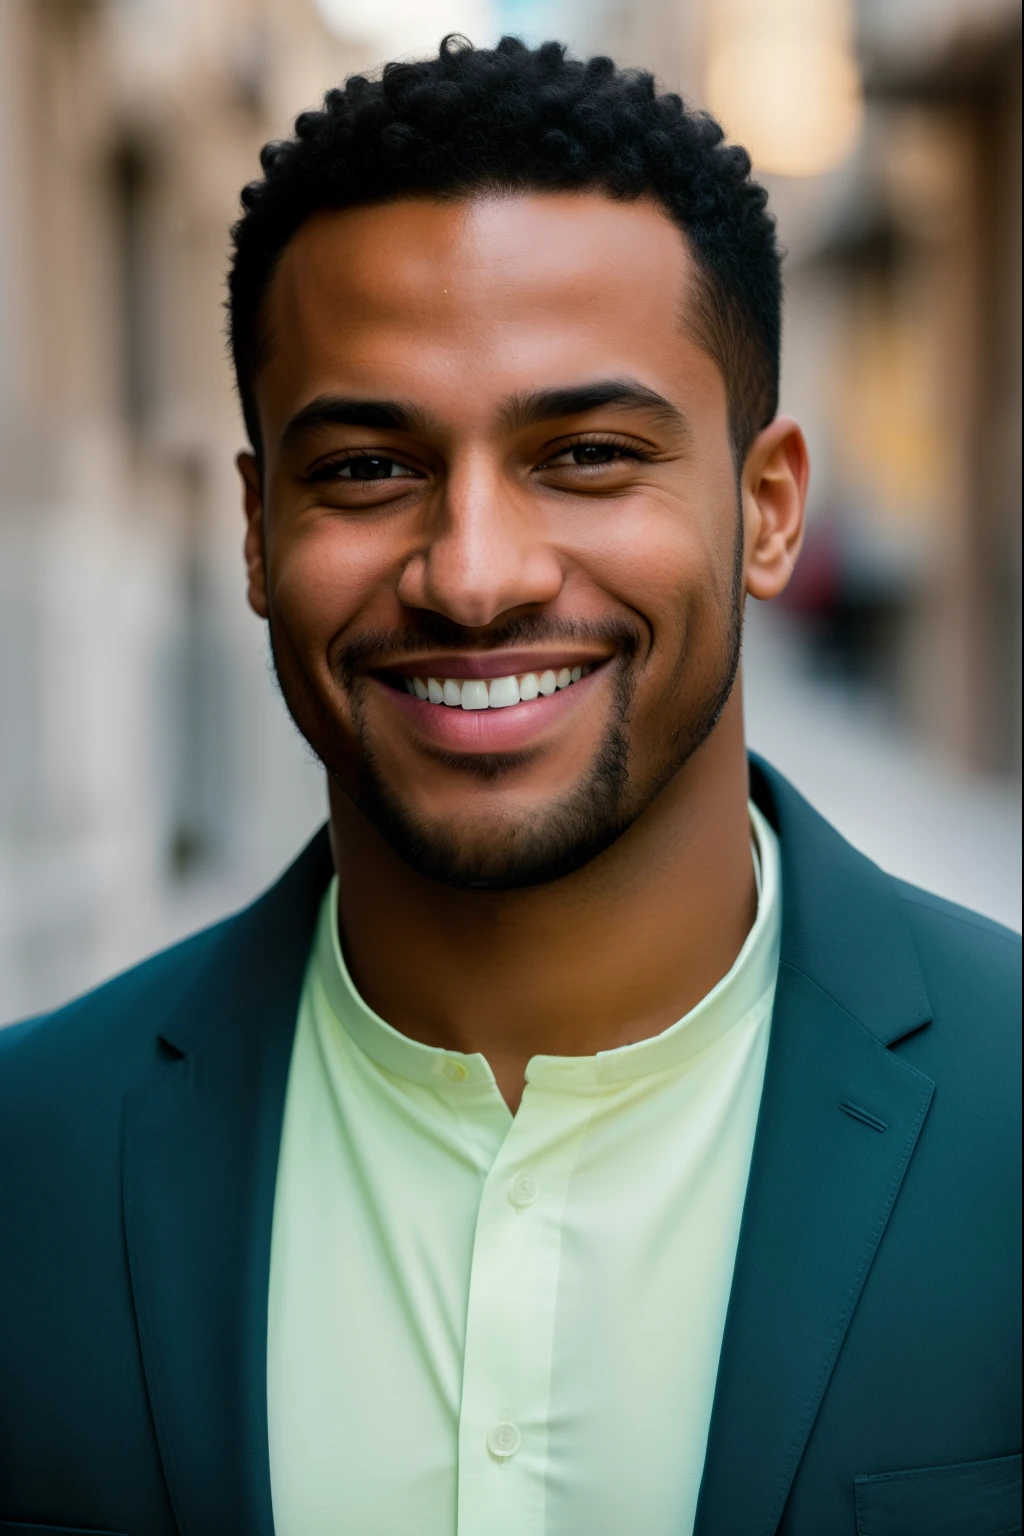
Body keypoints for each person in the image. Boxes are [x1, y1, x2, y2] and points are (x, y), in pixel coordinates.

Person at [0, 37, 1018, 1536]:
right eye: (365, 469)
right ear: (257, 530)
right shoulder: (32, 1159)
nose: (474, 577)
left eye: (589, 454)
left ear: (768, 509)